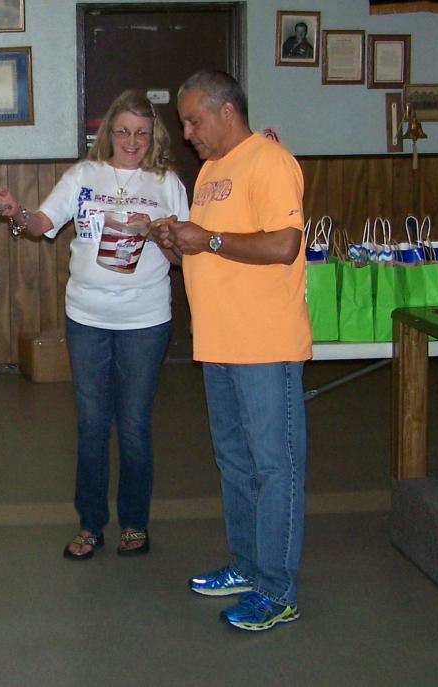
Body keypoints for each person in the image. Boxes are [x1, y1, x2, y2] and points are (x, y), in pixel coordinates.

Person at [0, 90, 189, 560]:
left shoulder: (166, 183)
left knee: (135, 424)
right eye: (123, 130)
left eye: (142, 132)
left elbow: (184, 255)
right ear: (109, 133)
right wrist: (14, 212)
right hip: (86, 317)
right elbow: (41, 224)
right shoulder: (83, 176)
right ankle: (90, 524)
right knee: (93, 423)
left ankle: (135, 523)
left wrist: (157, 231)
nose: (132, 140)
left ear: (154, 136)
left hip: (145, 318)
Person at [150, 70, 311, 632]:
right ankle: (246, 565)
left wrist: (207, 238)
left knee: (275, 468)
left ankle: (278, 589)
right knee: (236, 464)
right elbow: (208, 255)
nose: (187, 130)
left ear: (226, 112)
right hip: (217, 344)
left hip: (264, 344)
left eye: (193, 119)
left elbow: (284, 244)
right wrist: (175, 244)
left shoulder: (270, 161)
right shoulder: (213, 172)